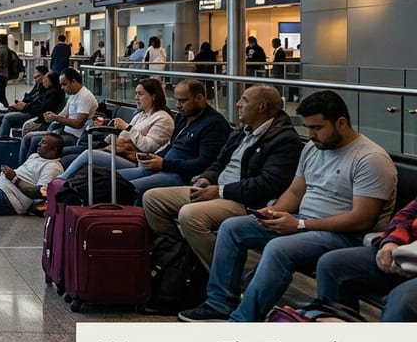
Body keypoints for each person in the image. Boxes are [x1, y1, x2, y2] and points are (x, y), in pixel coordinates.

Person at [178, 90, 397, 323]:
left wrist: (300, 224)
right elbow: (295, 192)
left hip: (344, 235)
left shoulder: (370, 159)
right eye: (307, 127)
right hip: (304, 222)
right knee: (232, 228)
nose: (310, 134)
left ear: (341, 123)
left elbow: (363, 219)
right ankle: (219, 303)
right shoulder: (313, 148)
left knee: (279, 249)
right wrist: (276, 212)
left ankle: (242, 321)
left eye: (317, 128)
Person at [141, 85, 303, 268]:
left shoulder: (284, 140)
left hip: (243, 200)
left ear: (262, 107)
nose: (237, 104)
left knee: (190, 215)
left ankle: (222, 272)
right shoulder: (241, 132)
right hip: (216, 190)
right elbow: (218, 163)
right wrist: (206, 178)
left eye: (244, 100)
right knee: (152, 198)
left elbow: (268, 184)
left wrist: (220, 191)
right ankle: (182, 257)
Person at [111, 78, 228, 197]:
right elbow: (171, 146)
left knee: (125, 187)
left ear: (199, 98)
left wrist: (164, 164)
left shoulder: (214, 125)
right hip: (161, 168)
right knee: (110, 179)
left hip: (181, 176)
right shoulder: (182, 117)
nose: (178, 105)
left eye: (183, 101)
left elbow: (204, 164)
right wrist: (156, 158)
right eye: (176, 100)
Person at [317, 196, 417, 322]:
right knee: (333, 265)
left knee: (404, 301)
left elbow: (361, 217)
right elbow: (407, 215)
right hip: (409, 252)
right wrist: (392, 241)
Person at [58, 77, 175, 171]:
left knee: (86, 155)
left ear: (153, 96)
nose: (136, 98)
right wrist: (112, 132)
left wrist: (127, 127)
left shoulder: (163, 119)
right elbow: (124, 137)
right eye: (136, 94)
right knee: (69, 158)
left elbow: (148, 147)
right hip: (121, 152)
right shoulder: (140, 115)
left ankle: (59, 183)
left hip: (136, 160)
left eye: (140, 94)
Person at [16, 67, 97, 159]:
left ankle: (29, 167)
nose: (62, 88)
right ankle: (24, 167)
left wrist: (56, 118)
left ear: (73, 81)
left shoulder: (85, 97)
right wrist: (53, 117)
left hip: (75, 136)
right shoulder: (74, 95)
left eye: (64, 84)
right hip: (65, 131)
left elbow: (78, 123)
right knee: (28, 137)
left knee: (36, 141)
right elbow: (63, 114)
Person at [0, 67, 63, 140]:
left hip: (33, 114)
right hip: (29, 110)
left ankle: (0, 140)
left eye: (45, 79)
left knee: (7, 117)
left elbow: (41, 109)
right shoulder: (41, 88)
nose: (43, 81)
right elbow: (31, 99)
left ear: (51, 81)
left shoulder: (52, 93)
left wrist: (26, 106)